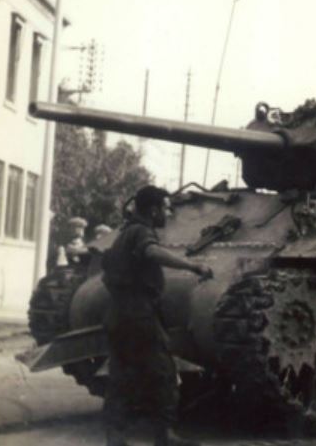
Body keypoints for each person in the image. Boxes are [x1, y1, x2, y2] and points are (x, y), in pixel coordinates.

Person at [102, 185, 213, 446]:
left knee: (121, 376)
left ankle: (115, 438)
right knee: (163, 373)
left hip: (118, 313)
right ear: (153, 211)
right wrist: (193, 265)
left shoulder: (125, 232)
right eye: (165, 207)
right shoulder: (141, 232)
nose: (169, 212)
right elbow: (151, 252)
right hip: (139, 314)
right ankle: (164, 436)